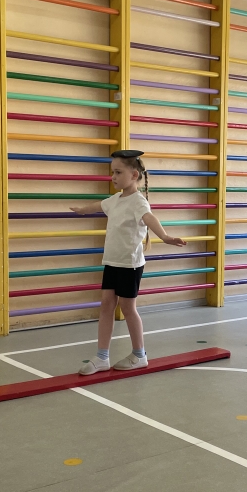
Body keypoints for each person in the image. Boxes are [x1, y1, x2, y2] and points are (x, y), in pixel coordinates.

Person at [72, 150, 186, 375]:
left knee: (127, 307)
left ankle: (139, 354)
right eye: (112, 172)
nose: (113, 177)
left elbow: (150, 218)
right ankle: (102, 356)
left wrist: (164, 236)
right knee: (106, 305)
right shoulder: (115, 200)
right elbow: (99, 205)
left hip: (130, 265)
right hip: (112, 262)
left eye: (118, 172)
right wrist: (82, 210)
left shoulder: (138, 202)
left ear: (134, 175)